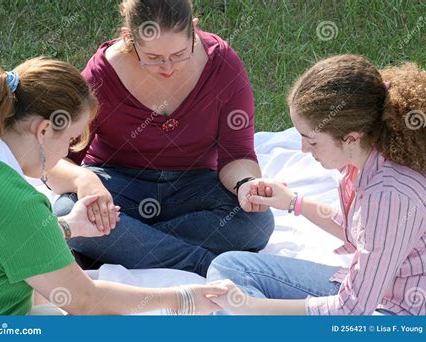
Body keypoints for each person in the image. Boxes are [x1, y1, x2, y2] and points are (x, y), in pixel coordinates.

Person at [0, 58, 228, 315]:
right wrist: (182, 298)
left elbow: (1, 239)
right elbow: (86, 301)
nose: (68, 151)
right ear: (43, 131)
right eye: (71, 140)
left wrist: (68, 226)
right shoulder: (19, 203)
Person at [51, 0, 274, 276]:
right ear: (128, 38)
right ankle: (205, 265)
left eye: (180, 53)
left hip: (193, 186)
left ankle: (117, 247)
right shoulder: (101, 74)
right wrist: (84, 179)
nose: (168, 68)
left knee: (257, 222)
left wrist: (246, 185)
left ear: (194, 29)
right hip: (118, 187)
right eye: (154, 58)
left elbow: (238, 153)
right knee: (66, 210)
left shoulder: (222, 64)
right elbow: (54, 160)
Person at [206, 55, 426, 315]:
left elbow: (352, 309)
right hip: (379, 292)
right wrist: (293, 202)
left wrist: (253, 307)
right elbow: (363, 232)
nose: (302, 148)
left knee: (233, 307)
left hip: (398, 316)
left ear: (351, 138)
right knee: (231, 269)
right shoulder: (365, 159)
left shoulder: (391, 195)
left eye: (311, 141)